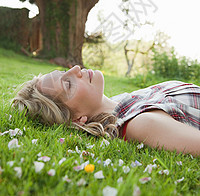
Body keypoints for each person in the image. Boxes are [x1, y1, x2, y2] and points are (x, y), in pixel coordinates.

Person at [12, 65, 200, 156]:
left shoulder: (121, 101)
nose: (76, 68)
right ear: (78, 119)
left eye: (63, 72)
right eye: (68, 84)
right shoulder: (140, 123)